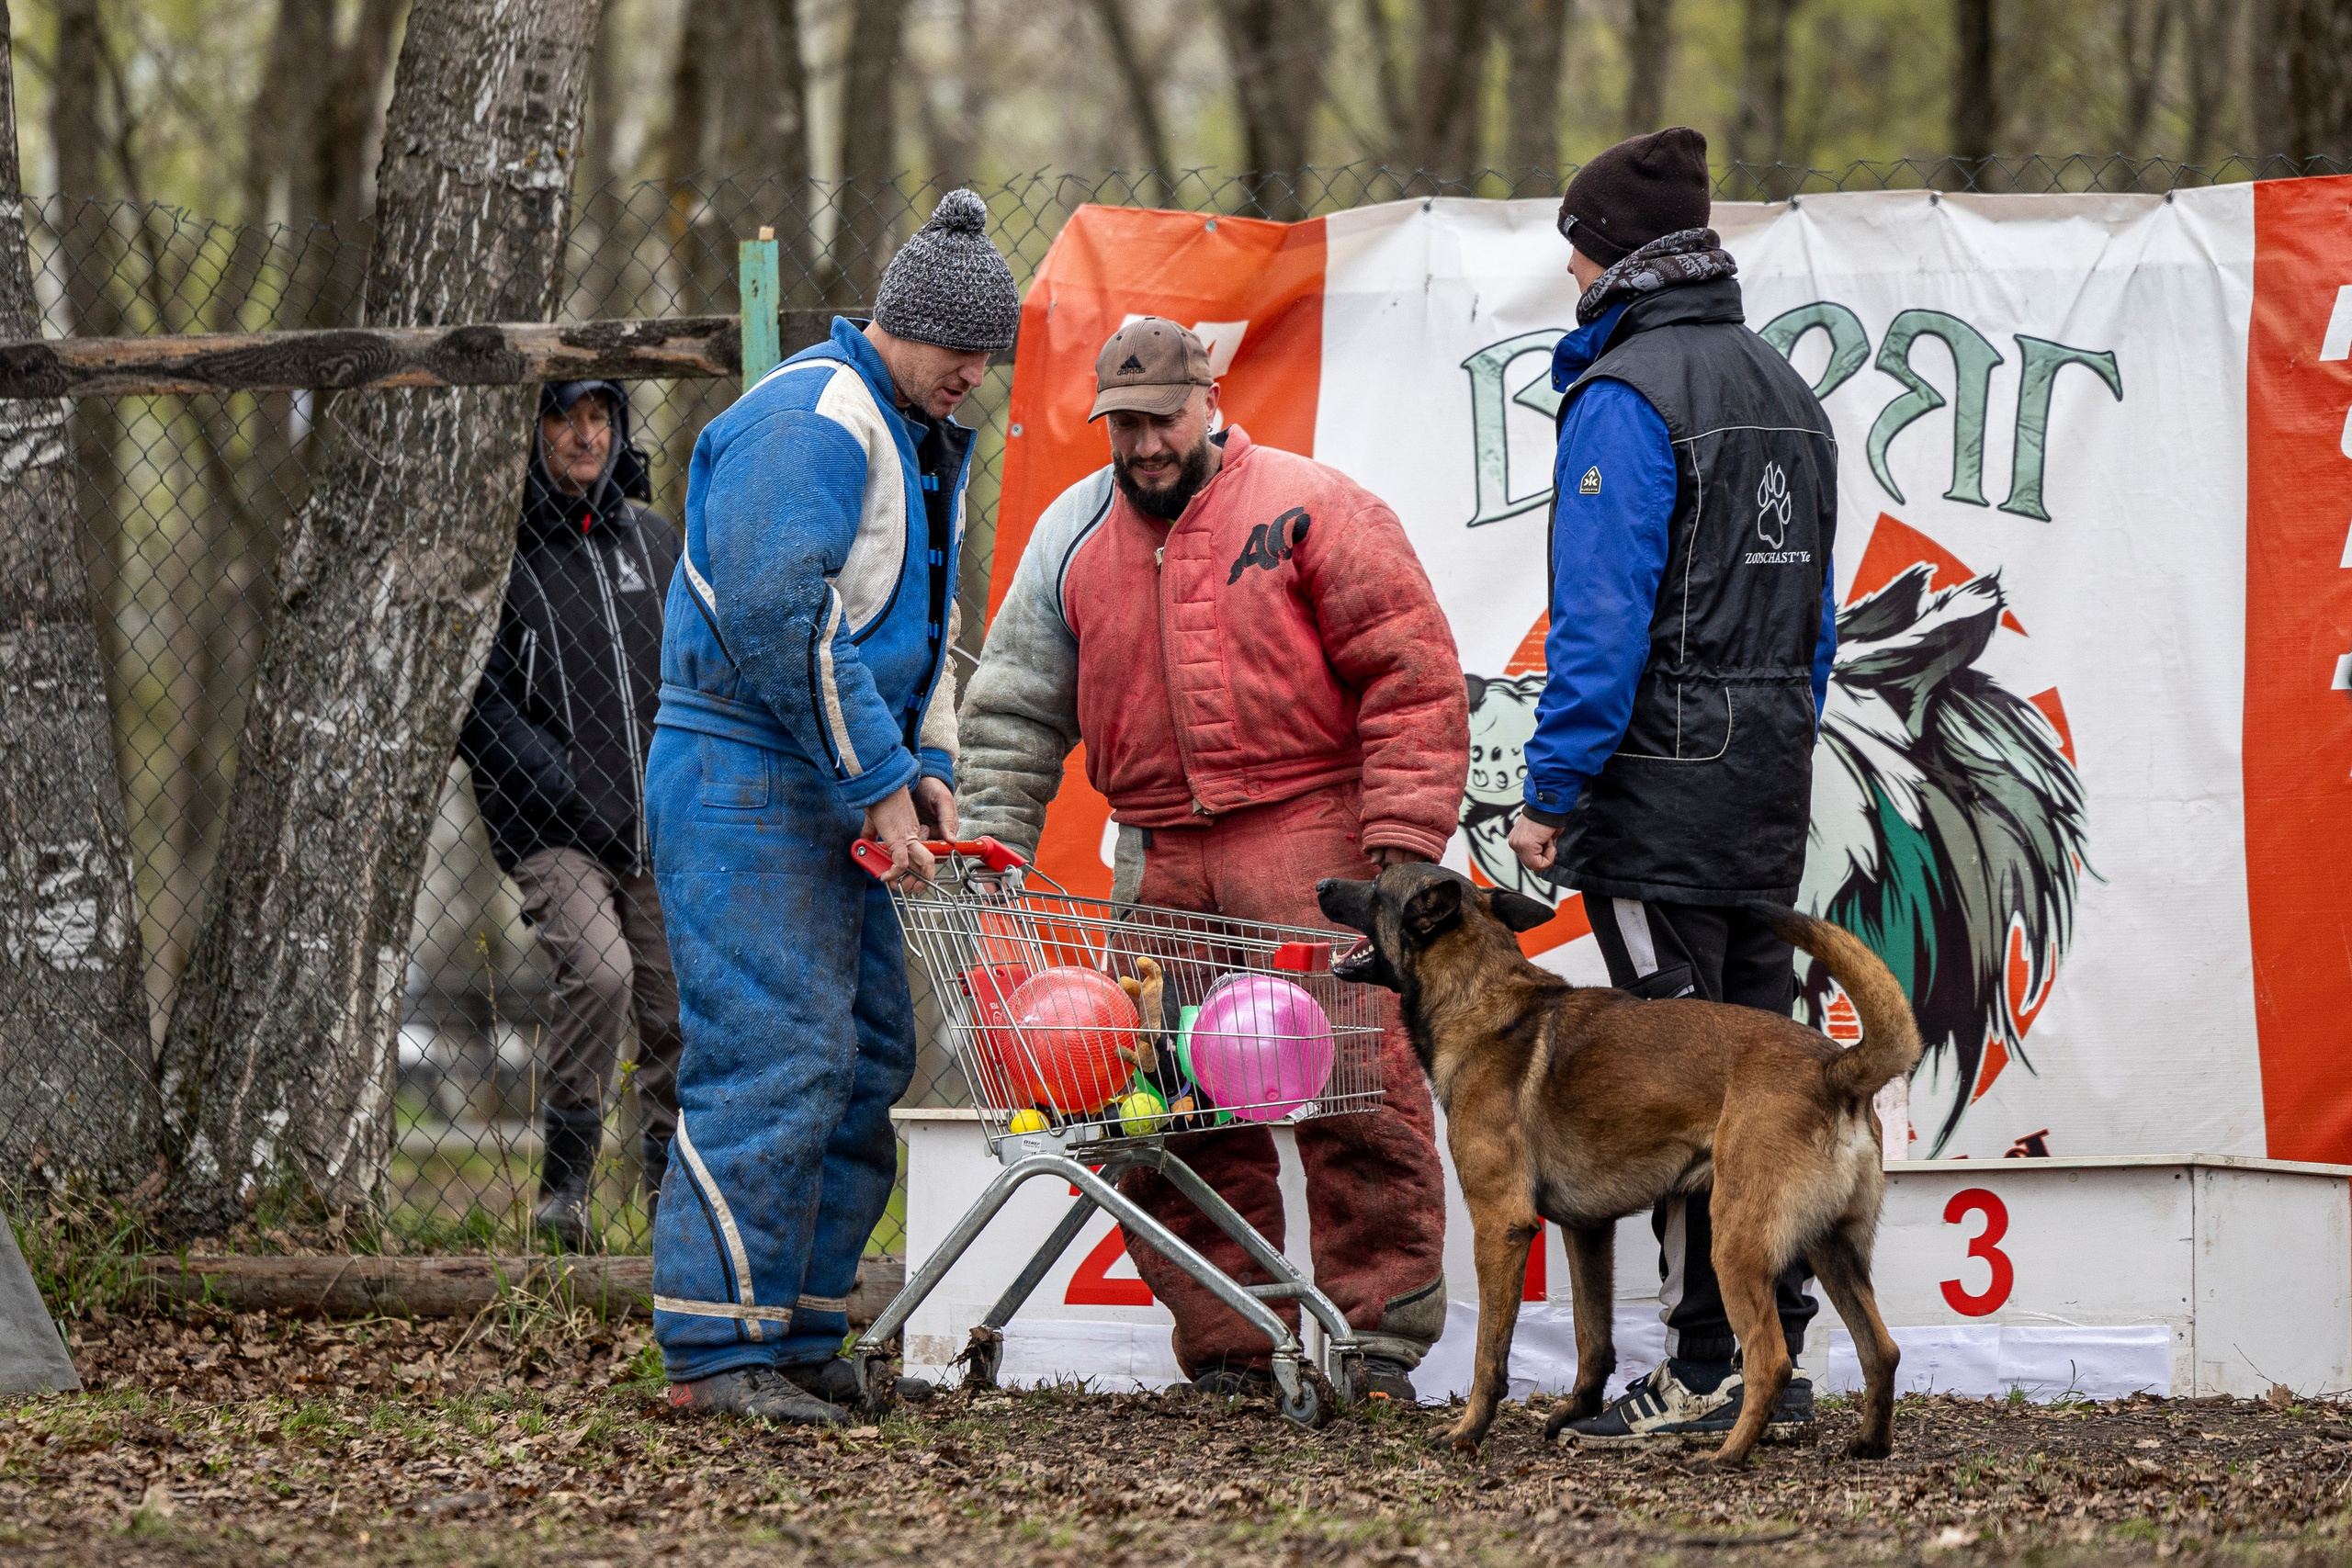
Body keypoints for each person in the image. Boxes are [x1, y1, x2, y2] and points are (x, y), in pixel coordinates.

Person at [957, 319, 1469, 1402]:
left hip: (1313, 836)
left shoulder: (1315, 508)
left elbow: (1410, 677)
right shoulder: (1071, 534)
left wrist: (1401, 849)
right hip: (1158, 853)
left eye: (1162, 419)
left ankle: (1376, 1344)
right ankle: (1235, 1342)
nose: (1144, 444)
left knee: (1360, 1097)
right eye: (1124, 424)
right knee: (1165, 1108)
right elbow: (1009, 715)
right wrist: (988, 858)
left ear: (1211, 400)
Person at [648, 189, 1020, 1425]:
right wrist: (876, 778)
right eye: (960, 346)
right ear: (901, 325)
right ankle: (716, 1346)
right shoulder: (814, 417)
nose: (976, 370)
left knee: (862, 1053)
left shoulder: (916, 435)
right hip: (743, 771)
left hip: (824, 772)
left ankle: (800, 1326)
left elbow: (917, 632)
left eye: (989, 352)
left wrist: (928, 766)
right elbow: (774, 607)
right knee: (775, 1047)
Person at [1505, 127, 1840, 1444]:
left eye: (1578, 243)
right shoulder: (1789, 392)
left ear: (1615, 260)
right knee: (1776, 1081)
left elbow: (1602, 626)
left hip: (1655, 796)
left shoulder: (1626, 398)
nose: (1569, 264)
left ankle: (1707, 1364)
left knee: (1678, 1089)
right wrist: (1773, 740)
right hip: (1766, 788)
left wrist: (1551, 791)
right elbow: (1813, 627)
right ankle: (1777, 1363)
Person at [459, 379, 683, 1252]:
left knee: (674, 1007)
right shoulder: (501, 551)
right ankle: (563, 1195)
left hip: (657, 823)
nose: (585, 436)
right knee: (601, 974)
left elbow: (698, 668)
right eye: (564, 418)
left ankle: (674, 1209)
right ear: (534, 430)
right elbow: (480, 710)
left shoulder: (654, 540)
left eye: (600, 419)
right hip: (552, 828)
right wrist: (567, 785)